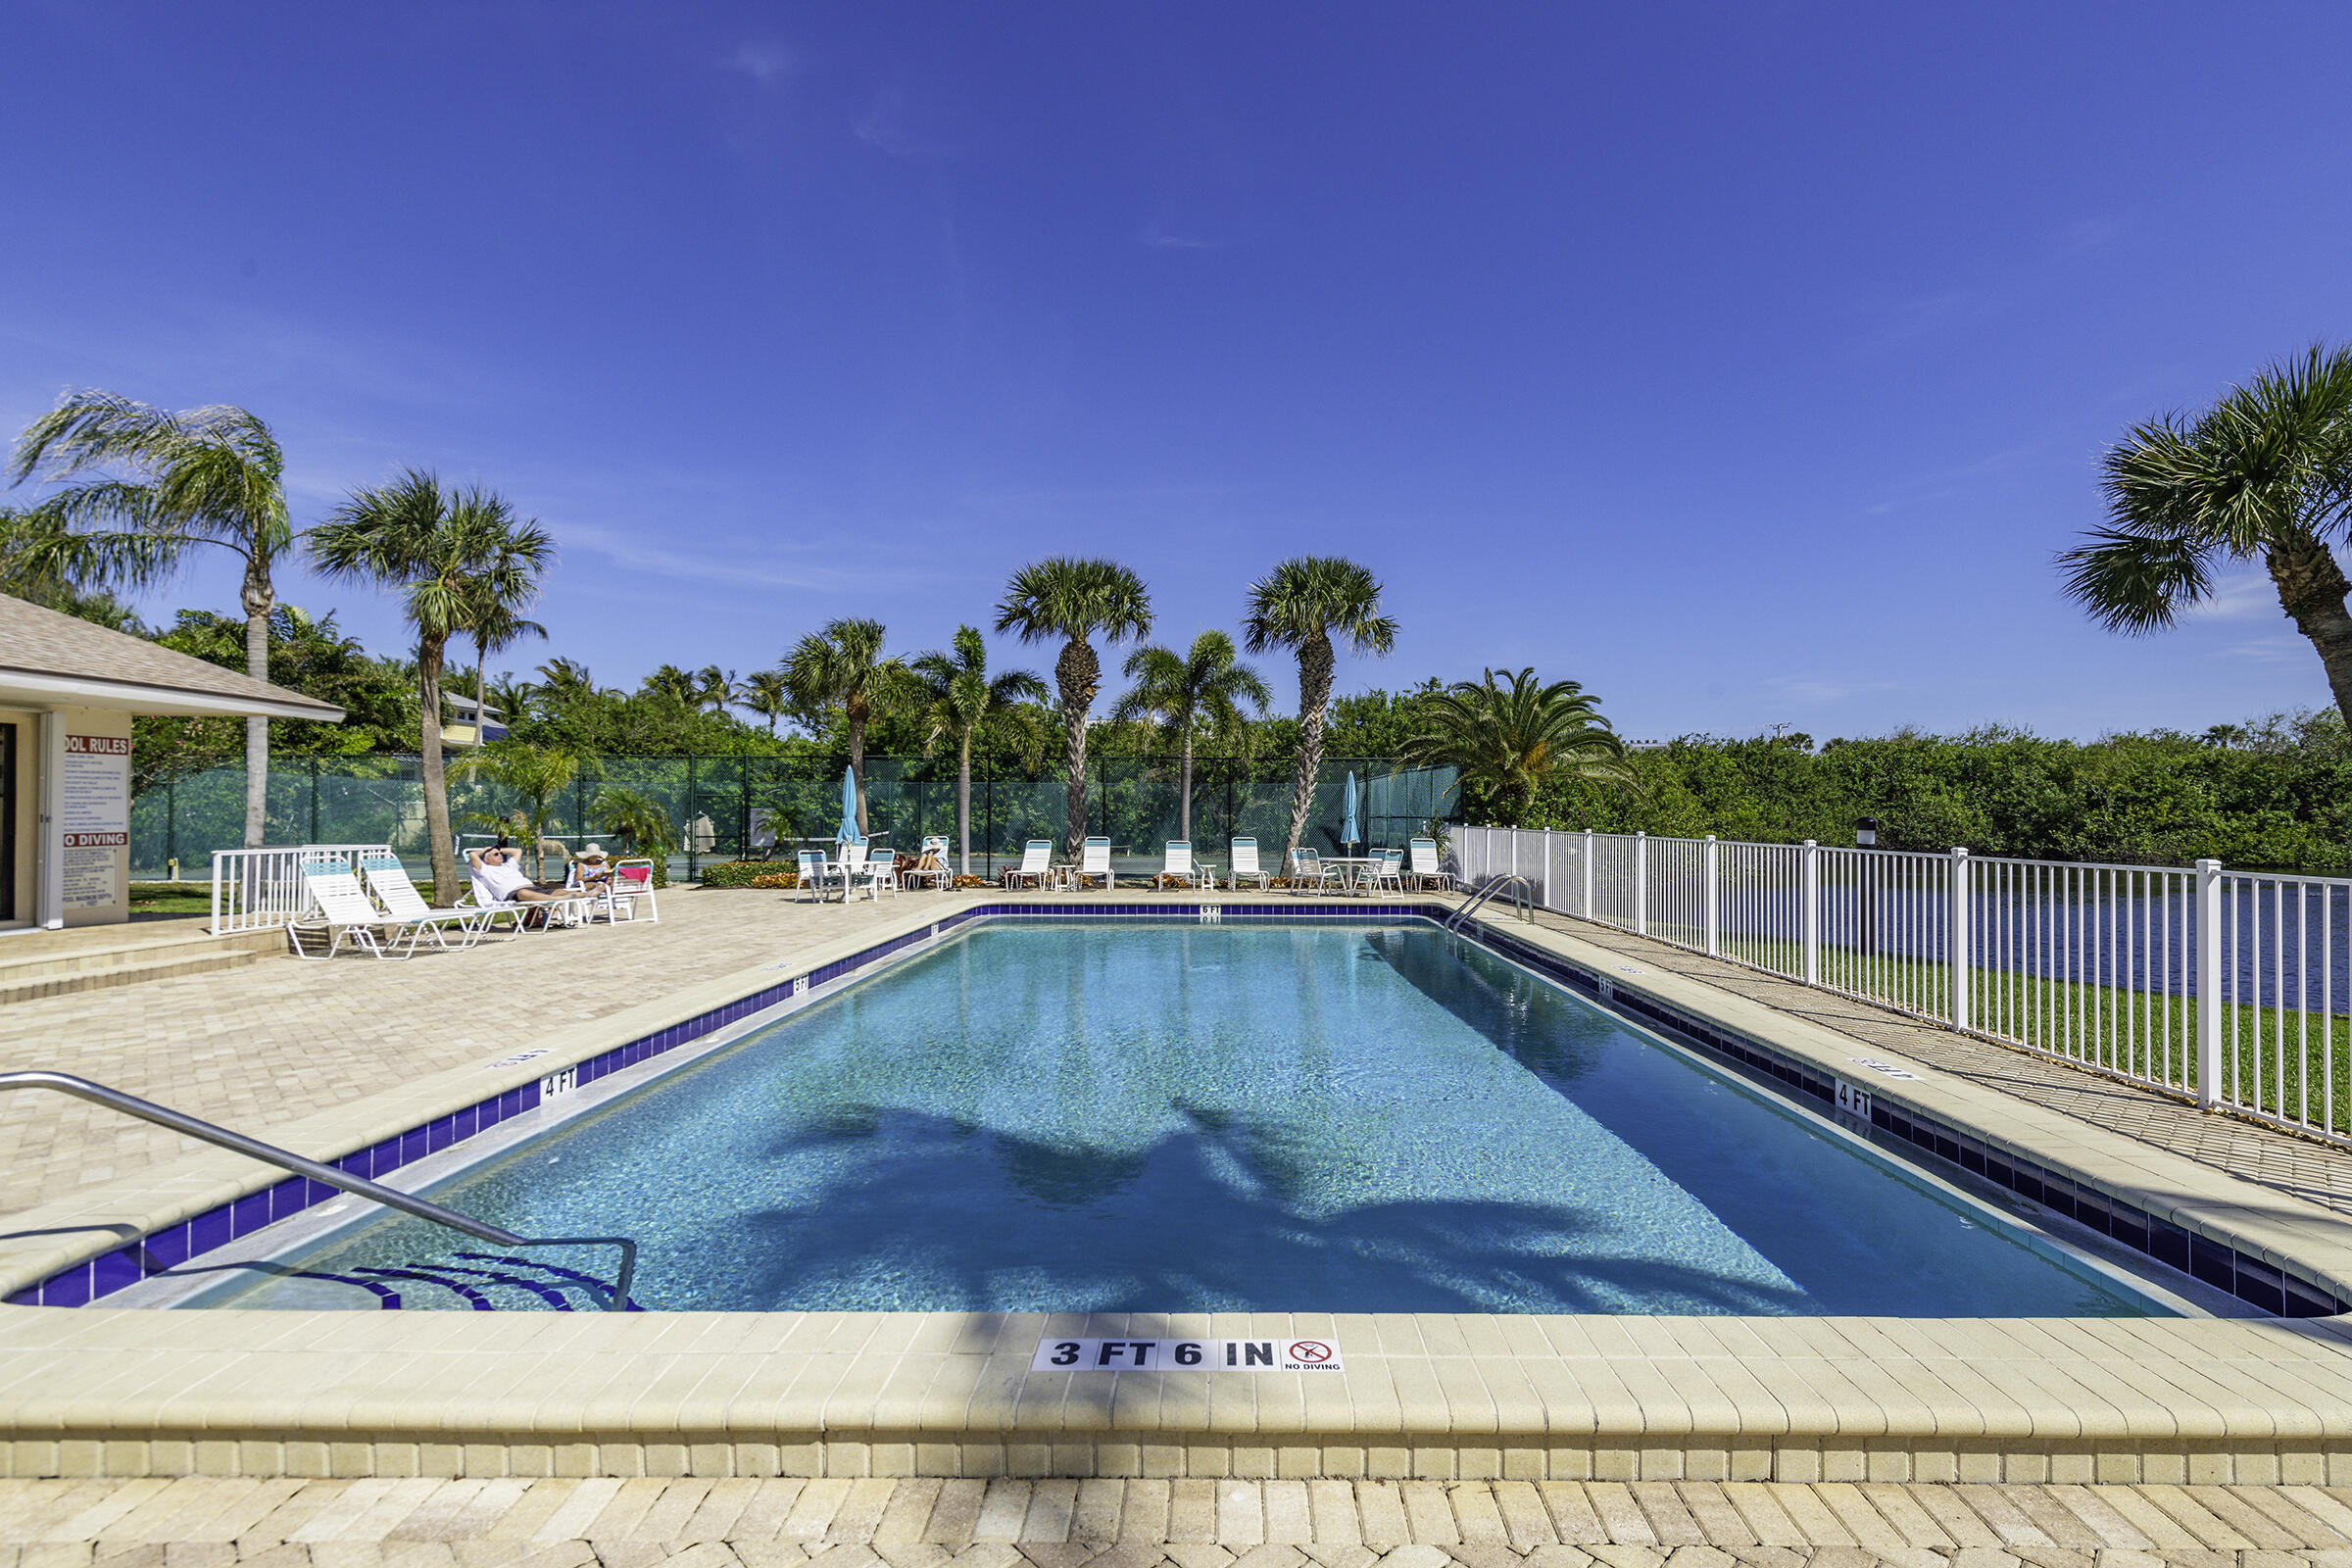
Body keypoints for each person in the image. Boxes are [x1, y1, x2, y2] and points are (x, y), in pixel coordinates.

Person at [467, 844, 575, 909]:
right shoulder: (484, 870)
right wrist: (485, 850)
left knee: (560, 890)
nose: (500, 855)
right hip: (514, 893)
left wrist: (498, 850)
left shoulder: (509, 865)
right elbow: (472, 855)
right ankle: (556, 900)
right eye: (496, 854)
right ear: (486, 859)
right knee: (523, 893)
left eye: (500, 853)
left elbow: (517, 851)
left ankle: (588, 894)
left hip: (532, 888)